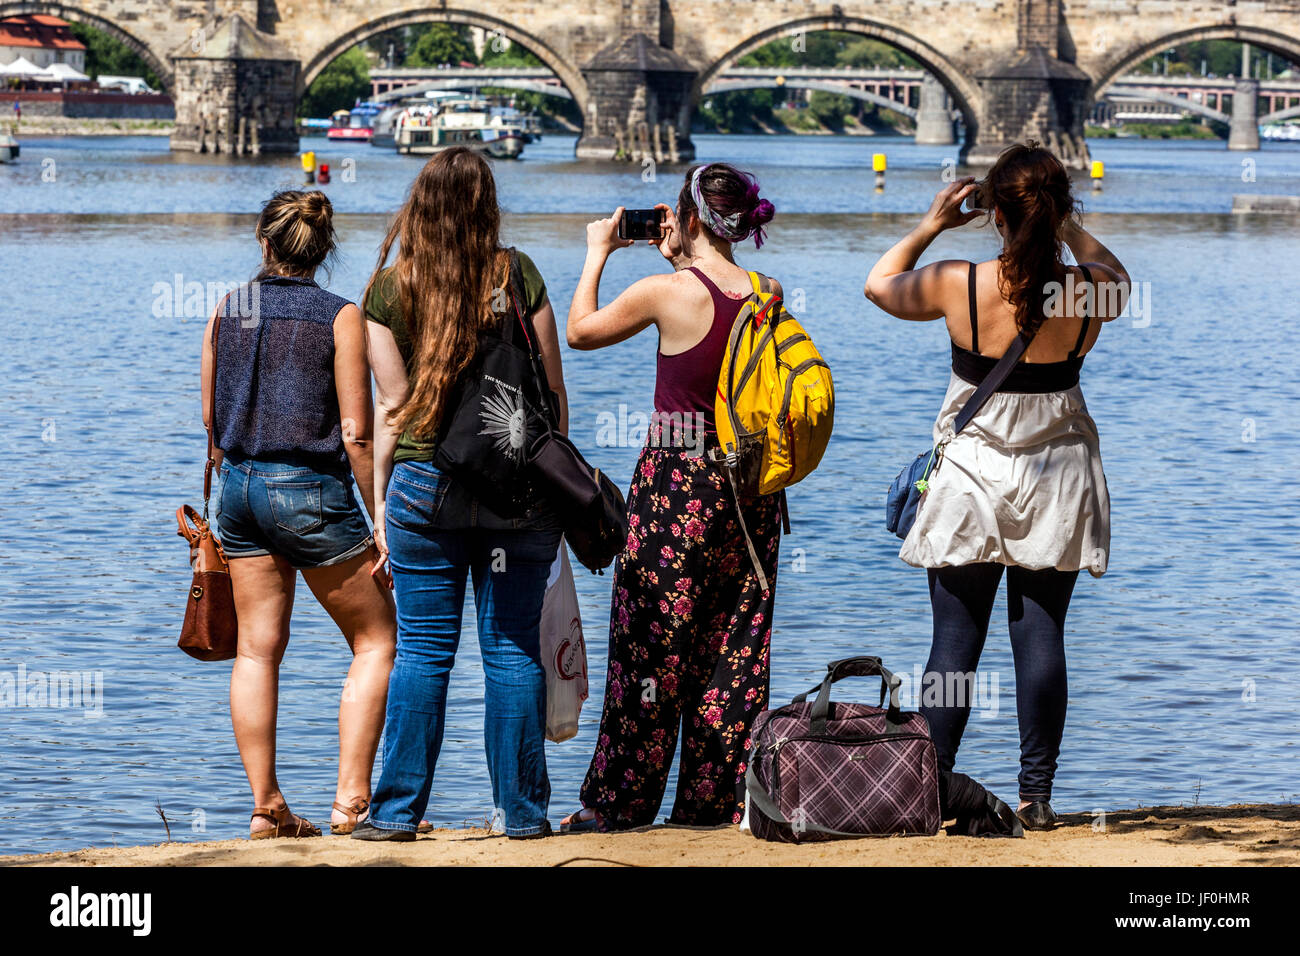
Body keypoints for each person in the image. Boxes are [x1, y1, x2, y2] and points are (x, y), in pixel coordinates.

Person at [863, 142, 1130, 830]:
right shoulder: (1086, 290)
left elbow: (878, 283)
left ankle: (928, 789)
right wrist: (1066, 225)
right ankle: (1036, 798)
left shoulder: (959, 281)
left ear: (994, 210)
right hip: (1060, 474)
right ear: (1059, 207)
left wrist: (930, 224)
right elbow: (1121, 278)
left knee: (954, 644)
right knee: (1041, 636)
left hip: (973, 477)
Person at [352, 148, 569, 841]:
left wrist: (382, 509)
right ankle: (525, 819)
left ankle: (392, 817)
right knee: (512, 654)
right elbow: (552, 396)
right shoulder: (518, 273)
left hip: (424, 486)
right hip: (519, 488)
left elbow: (392, 411)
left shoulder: (387, 291)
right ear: (487, 204)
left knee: (421, 652)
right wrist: (556, 487)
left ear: (418, 204)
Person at [561, 163, 782, 832]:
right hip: (749, 491)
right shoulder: (768, 291)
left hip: (675, 489)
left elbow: (580, 330)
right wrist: (683, 244)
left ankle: (618, 806)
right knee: (733, 649)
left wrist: (599, 252)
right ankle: (711, 806)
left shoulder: (666, 292)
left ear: (689, 219)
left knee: (651, 648)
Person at [201, 190, 397, 839]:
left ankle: (267, 807)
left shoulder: (228, 310)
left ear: (264, 242)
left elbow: (210, 419)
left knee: (257, 652)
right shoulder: (340, 317)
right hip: (309, 490)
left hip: (239, 490)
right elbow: (357, 434)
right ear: (324, 249)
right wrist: (379, 520)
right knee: (377, 641)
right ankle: (351, 804)